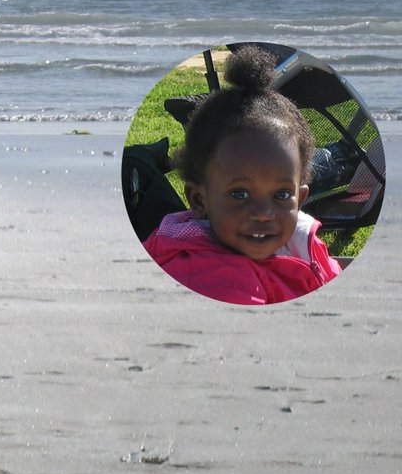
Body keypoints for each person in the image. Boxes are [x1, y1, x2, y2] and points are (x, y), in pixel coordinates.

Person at [142, 46, 342, 305]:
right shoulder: (213, 281)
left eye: (281, 194)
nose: (263, 213)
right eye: (240, 194)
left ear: (300, 198)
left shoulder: (301, 241)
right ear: (200, 200)